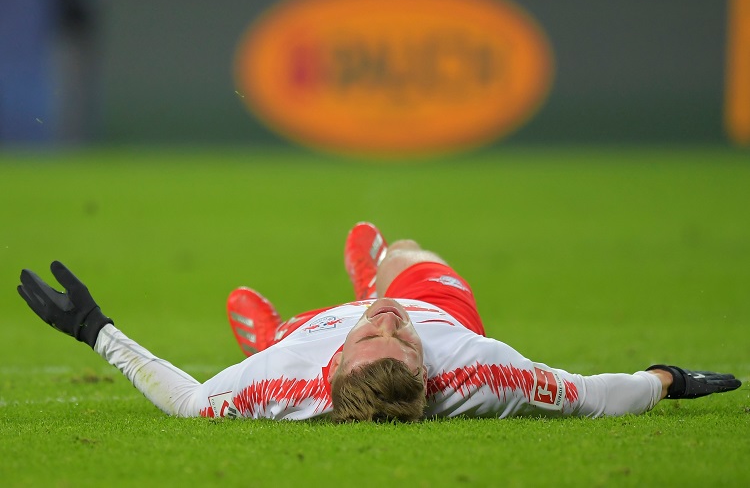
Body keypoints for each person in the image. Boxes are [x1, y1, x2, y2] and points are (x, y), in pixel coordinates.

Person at [17, 222, 741, 422]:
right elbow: (592, 395)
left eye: (377, 330)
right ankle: (374, 272)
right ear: (430, 373)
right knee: (407, 252)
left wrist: (94, 329)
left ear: (332, 365)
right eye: (395, 338)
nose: (388, 322)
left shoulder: (285, 384)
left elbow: (187, 402)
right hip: (442, 312)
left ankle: (279, 329)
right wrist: (670, 378)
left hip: (314, 331)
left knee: (279, 329)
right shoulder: (482, 370)